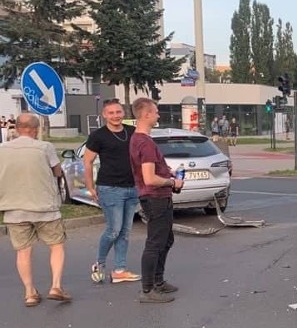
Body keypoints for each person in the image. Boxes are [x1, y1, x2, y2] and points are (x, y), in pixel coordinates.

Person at [0, 113, 72, 306]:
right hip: (45, 207)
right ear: (36, 129)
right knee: (56, 245)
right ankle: (56, 286)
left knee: (23, 252)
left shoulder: (2, 149)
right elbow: (57, 171)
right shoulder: (44, 147)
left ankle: (30, 292)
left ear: (16, 128)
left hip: (14, 208)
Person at [129, 97, 183, 303]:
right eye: (156, 112)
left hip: (156, 197)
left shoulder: (139, 140)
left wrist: (166, 170)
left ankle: (158, 281)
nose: (158, 115)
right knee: (155, 243)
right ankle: (148, 289)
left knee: (166, 239)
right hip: (155, 198)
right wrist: (172, 182)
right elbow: (150, 178)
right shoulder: (145, 143)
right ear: (146, 115)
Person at [84, 98, 142, 284]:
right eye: (111, 113)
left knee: (125, 232)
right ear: (104, 115)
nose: (115, 116)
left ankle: (119, 270)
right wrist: (90, 187)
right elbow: (87, 162)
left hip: (131, 187)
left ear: (123, 113)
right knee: (113, 230)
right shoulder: (98, 136)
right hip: (110, 188)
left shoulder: (132, 132)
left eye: (118, 112)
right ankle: (99, 263)